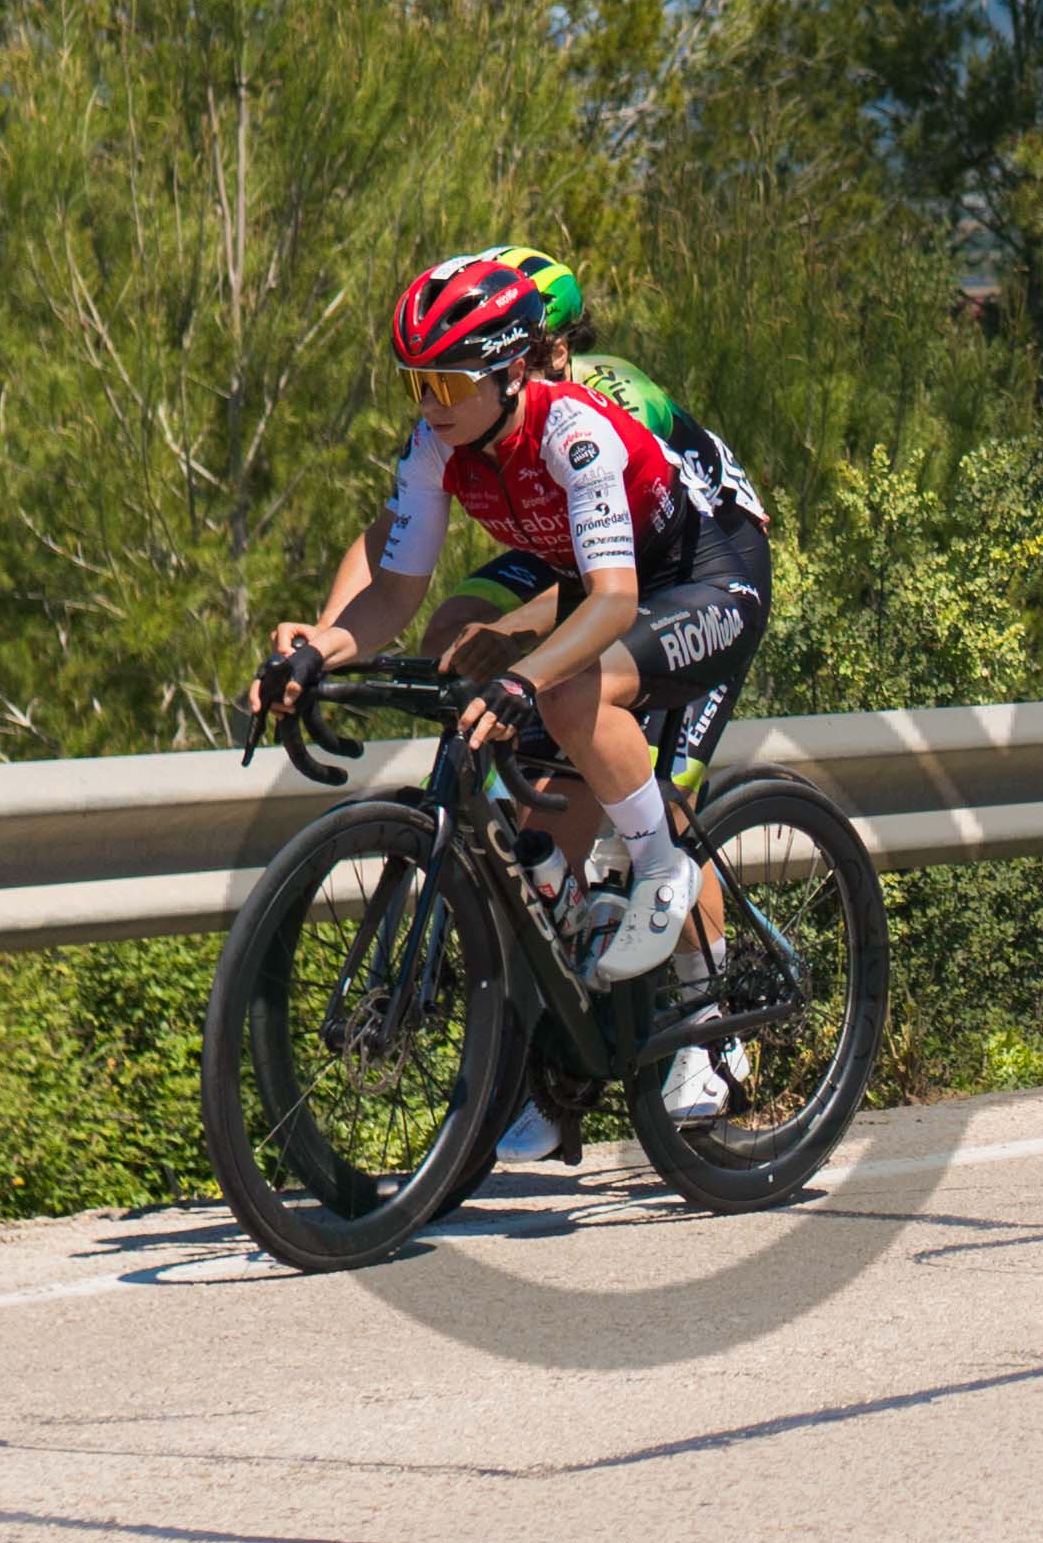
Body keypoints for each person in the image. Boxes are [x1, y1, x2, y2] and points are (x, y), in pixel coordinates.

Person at [269, 245, 774, 1125]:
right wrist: (322, 646)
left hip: (706, 570)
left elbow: (613, 597)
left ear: (519, 362)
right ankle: (571, 1045)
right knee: (527, 761)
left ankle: (704, 1020)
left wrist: (527, 661)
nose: (428, 406)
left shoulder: (585, 418)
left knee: (608, 742)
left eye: (446, 384)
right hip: (592, 572)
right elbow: (394, 581)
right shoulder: (443, 439)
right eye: (414, 385)